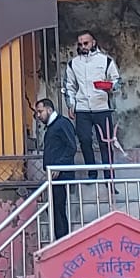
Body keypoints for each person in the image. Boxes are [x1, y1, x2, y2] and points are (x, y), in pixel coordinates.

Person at [62, 32, 120, 178]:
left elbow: (117, 81)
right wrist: (71, 104)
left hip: (102, 107)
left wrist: (108, 86)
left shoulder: (105, 61)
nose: (83, 47)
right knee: (84, 140)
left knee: (106, 142)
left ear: (93, 42)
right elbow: (69, 86)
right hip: (82, 108)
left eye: (85, 43)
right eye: (80, 44)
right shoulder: (73, 63)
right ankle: (92, 172)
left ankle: (109, 176)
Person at [34, 99, 80, 238]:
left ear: (49, 110)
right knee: (55, 209)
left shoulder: (62, 124)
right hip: (54, 175)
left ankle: (62, 239)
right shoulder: (53, 126)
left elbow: (71, 147)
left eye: (40, 111)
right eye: (37, 112)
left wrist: (59, 166)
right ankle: (60, 238)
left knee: (58, 209)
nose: (38, 115)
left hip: (62, 176)